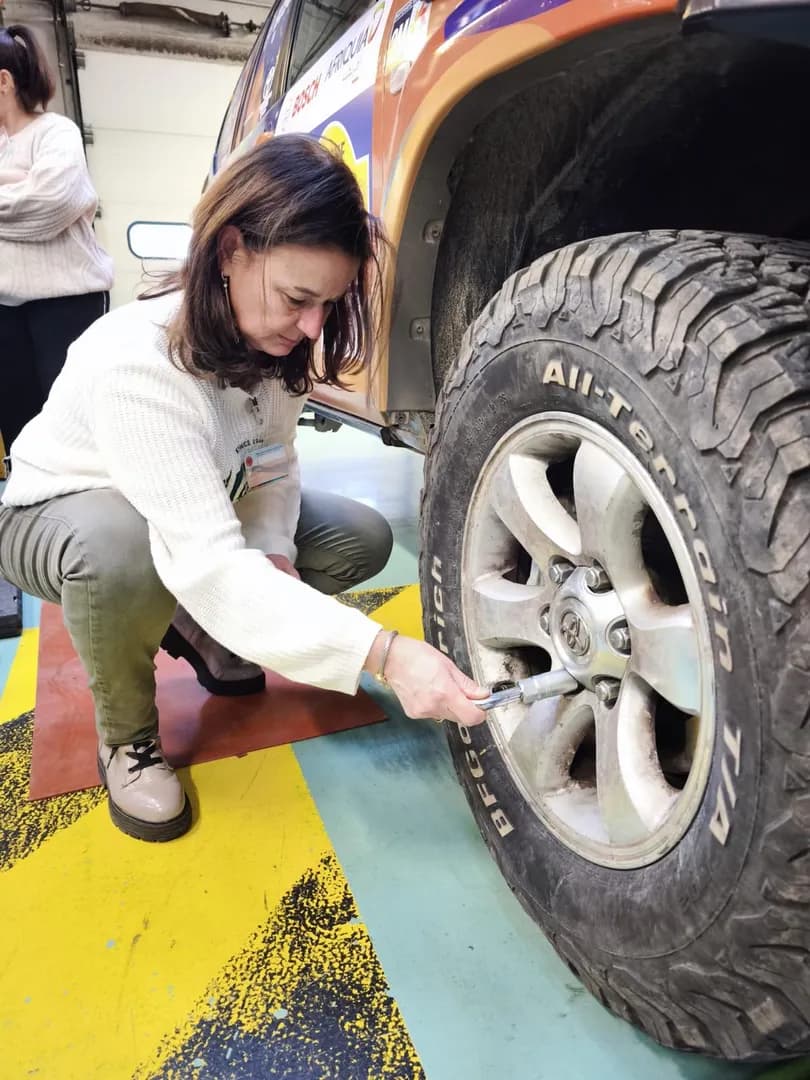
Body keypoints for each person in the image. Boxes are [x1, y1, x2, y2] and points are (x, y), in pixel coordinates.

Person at [0, 133, 487, 843]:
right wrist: (384, 653)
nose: (313, 324)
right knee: (124, 547)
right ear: (230, 252)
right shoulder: (139, 363)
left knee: (359, 536)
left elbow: (273, 466)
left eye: (330, 301)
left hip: (191, 504)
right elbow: (206, 561)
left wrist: (273, 553)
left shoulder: (272, 344)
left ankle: (194, 625)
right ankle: (127, 739)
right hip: (59, 515)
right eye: (298, 297)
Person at [0, 24, 114, 450]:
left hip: (67, 303)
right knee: (19, 430)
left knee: (75, 424)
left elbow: (48, 206)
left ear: (4, 81)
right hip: (5, 310)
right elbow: (32, 201)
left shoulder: (56, 133)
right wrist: (17, 179)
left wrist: (27, 187)